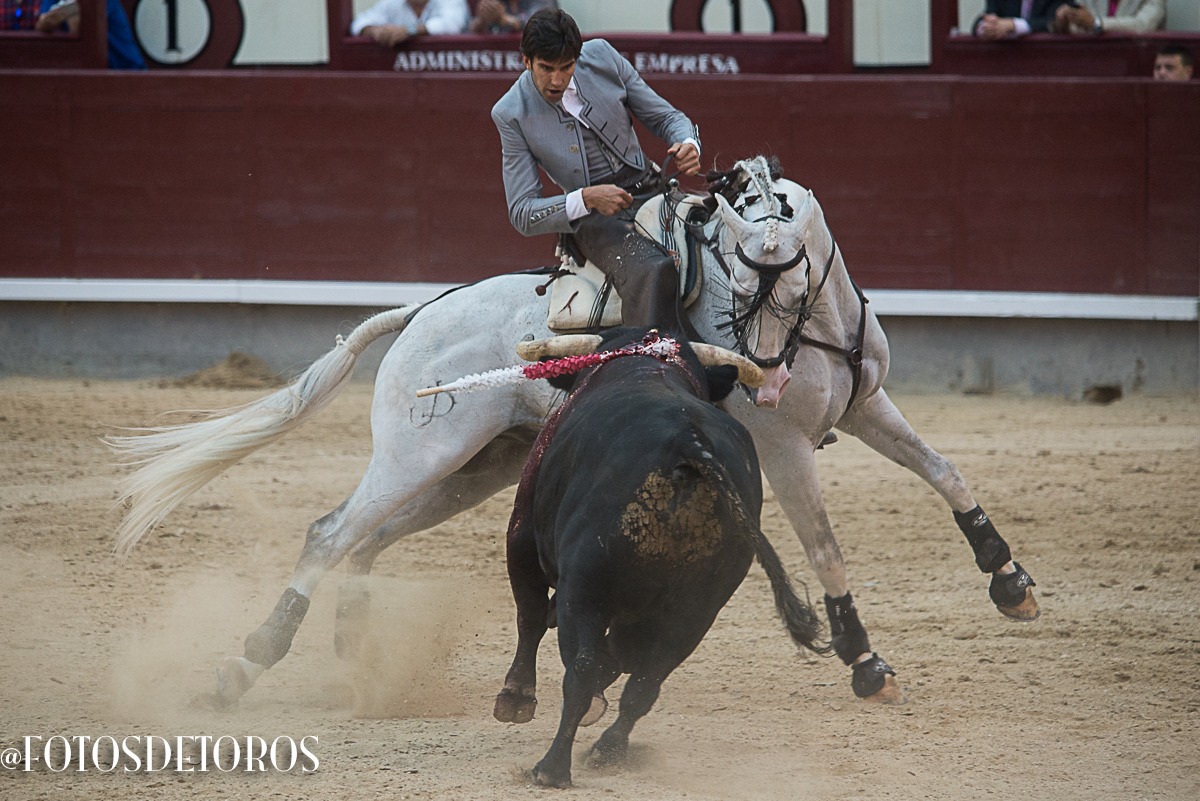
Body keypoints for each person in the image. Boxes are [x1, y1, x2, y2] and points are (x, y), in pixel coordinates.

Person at [491, 9, 702, 336]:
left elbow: (666, 117)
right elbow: (522, 212)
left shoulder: (602, 56)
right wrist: (586, 198)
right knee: (652, 269)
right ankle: (650, 367)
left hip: (653, 187)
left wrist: (688, 143)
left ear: (578, 57)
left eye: (566, 67)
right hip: (592, 219)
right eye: (546, 68)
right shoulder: (510, 113)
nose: (557, 80)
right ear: (526, 61)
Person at [30, 0, 145, 70]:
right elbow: (43, 24)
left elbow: (78, 27)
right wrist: (66, 12)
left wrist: (65, 12)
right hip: (81, 76)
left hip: (125, 71)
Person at [350, 0, 469, 47]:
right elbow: (360, 22)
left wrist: (410, 30)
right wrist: (375, 31)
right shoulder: (392, 3)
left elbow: (452, 23)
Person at [1051, 0, 1165, 35]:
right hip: (1094, 61)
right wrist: (1065, 23)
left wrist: (1096, 23)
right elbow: (1082, 25)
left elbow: (1143, 25)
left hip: (1136, 62)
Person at [973, 0, 1068, 39]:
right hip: (1007, 61)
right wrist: (986, 27)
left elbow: (1055, 22)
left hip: (1048, 60)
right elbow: (988, 14)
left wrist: (1014, 25)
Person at [469, 0, 556, 34]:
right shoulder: (495, 4)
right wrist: (482, 21)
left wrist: (505, 19)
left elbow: (540, 22)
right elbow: (467, 32)